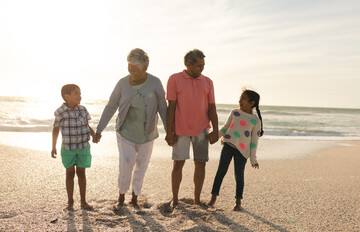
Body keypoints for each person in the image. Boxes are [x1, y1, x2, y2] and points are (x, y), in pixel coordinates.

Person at [93, 48, 167, 209]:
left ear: (145, 68)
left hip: (147, 134)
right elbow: (111, 105)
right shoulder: (122, 83)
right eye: (129, 67)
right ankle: (121, 196)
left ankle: (134, 198)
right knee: (126, 165)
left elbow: (163, 107)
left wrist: (169, 131)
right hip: (125, 132)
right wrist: (99, 129)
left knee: (141, 167)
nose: (131, 71)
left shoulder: (155, 83)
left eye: (134, 68)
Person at [166, 49, 219, 209]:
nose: (202, 68)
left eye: (203, 65)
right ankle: (175, 199)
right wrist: (169, 132)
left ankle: (196, 200)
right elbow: (171, 107)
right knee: (178, 165)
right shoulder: (174, 79)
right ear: (188, 64)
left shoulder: (208, 82)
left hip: (202, 130)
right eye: (199, 65)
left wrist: (215, 130)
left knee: (201, 163)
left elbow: (212, 107)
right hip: (180, 130)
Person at [208, 89, 264, 211]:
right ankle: (213, 197)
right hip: (228, 145)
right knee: (220, 171)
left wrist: (253, 159)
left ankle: (238, 201)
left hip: (242, 152)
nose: (240, 100)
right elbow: (225, 128)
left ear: (252, 102)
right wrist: (215, 137)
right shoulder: (234, 113)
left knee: (239, 176)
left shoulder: (255, 120)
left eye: (243, 98)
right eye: (240, 98)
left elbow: (254, 141)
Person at [51, 84, 95, 211]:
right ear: (67, 96)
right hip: (68, 147)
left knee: (81, 173)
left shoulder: (83, 109)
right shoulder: (60, 112)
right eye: (76, 93)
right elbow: (55, 129)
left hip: (83, 146)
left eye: (80, 93)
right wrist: (53, 146)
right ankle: (70, 202)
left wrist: (94, 135)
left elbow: (87, 126)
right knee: (70, 173)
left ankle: (83, 201)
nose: (80, 96)